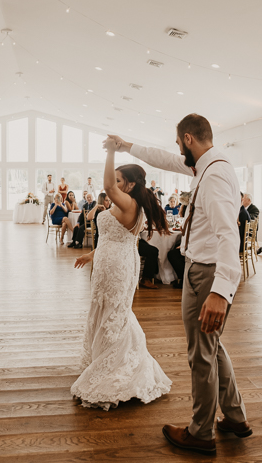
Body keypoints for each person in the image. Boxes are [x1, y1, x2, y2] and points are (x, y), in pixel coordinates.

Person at [109, 114, 250, 455]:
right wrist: (128, 146)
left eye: (178, 142)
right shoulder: (210, 165)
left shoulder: (213, 174)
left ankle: (200, 433)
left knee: (201, 353)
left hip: (206, 274)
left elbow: (229, 235)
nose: (177, 150)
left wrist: (220, 291)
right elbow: (167, 160)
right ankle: (234, 417)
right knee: (213, 347)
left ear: (188, 138)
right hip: (202, 269)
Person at [71, 138, 171, 410]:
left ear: (130, 184)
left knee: (116, 313)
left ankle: (117, 368)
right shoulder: (126, 204)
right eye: (115, 180)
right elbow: (116, 238)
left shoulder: (129, 204)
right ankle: (103, 357)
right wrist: (91, 255)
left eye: (118, 180)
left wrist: (111, 153)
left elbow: (106, 187)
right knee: (107, 310)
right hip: (109, 261)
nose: (113, 184)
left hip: (117, 266)